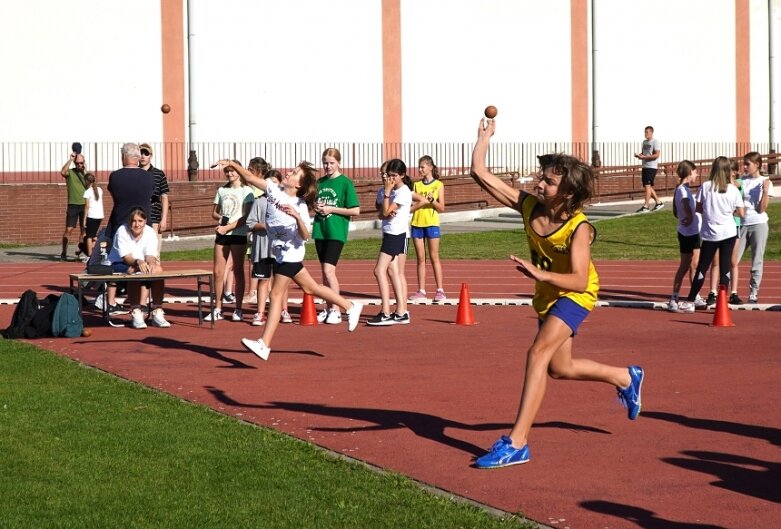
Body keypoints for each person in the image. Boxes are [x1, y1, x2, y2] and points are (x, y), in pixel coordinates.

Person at [470, 117, 643, 469]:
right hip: (548, 295)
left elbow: (580, 281)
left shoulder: (579, 228)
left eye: (549, 181)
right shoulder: (530, 206)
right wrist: (484, 138)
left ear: (569, 191)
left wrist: (538, 272)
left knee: (537, 354)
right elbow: (479, 173)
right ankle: (625, 376)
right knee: (559, 369)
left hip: (576, 295)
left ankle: (517, 443)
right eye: (541, 177)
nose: (540, 183)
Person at [212, 159, 363, 361]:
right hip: (282, 254)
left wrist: (298, 218)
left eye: (293, 173)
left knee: (275, 296)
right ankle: (350, 307)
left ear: (298, 184)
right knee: (312, 289)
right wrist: (231, 162)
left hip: (291, 255)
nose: (288, 173)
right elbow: (249, 177)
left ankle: (264, 344)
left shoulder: (299, 206)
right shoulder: (274, 190)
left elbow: (305, 236)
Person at [677, 157, 745, 313]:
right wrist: (728, 211)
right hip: (728, 232)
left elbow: (699, 208)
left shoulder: (706, 187)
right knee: (725, 267)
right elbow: (741, 212)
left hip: (710, 233)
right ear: (728, 171)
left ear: (713, 169)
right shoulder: (733, 189)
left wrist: (711, 211)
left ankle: (690, 300)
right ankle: (722, 300)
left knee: (702, 267)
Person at [104, 143, 155, 315]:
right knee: (147, 263)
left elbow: (113, 194)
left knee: (113, 261)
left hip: (120, 222)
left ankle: (110, 301)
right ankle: (143, 302)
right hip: (143, 223)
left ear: (124, 156)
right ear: (137, 157)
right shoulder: (148, 177)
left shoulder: (116, 176)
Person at [312, 148, 361, 325]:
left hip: (336, 231)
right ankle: (328, 307)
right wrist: (316, 206)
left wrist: (332, 209)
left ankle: (337, 309)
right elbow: (315, 203)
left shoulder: (345, 183)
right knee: (323, 273)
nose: (328, 166)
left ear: (339, 163)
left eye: (331, 163)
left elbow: (355, 210)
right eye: (325, 162)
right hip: (320, 230)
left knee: (329, 271)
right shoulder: (320, 183)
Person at [204, 160, 254, 323]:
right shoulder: (221, 190)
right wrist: (222, 220)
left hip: (238, 234)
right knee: (218, 272)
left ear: (239, 172)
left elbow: (246, 217)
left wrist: (229, 226)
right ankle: (218, 308)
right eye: (227, 171)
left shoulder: (247, 191)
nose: (230, 174)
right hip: (222, 233)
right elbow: (214, 213)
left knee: (238, 270)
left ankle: (238, 308)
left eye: (232, 171)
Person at [107, 207, 170, 329]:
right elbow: (126, 258)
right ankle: (136, 310)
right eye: (134, 221)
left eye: (140, 221)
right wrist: (138, 262)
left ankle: (157, 310)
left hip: (140, 262)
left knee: (158, 270)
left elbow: (150, 255)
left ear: (145, 221)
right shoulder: (122, 231)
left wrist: (151, 264)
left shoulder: (150, 232)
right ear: (129, 222)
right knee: (134, 271)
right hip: (119, 263)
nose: (137, 224)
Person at [367, 159, 413, 326]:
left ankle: (385, 311)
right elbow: (381, 213)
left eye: (393, 176)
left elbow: (386, 210)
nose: (390, 179)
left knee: (379, 270)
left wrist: (387, 195)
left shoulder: (403, 191)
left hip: (397, 234)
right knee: (392, 271)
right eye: (387, 175)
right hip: (388, 233)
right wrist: (385, 209)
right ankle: (401, 312)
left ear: (402, 175)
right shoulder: (384, 191)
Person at [245, 169, 292, 326]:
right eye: (269, 182)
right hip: (263, 248)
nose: (272, 185)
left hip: (280, 249)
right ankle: (260, 312)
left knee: (282, 281)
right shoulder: (259, 202)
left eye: (275, 182)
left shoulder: (285, 202)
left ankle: (284, 310)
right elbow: (250, 223)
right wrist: (265, 225)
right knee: (263, 280)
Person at [736, 151, 775, 303]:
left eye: (748, 164)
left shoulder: (765, 182)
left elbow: (762, 209)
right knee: (733, 260)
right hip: (743, 224)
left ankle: (753, 292)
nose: (744, 167)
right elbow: (730, 184)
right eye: (744, 164)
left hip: (759, 223)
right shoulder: (742, 180)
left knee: (756, 260)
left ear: (757, 164)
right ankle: (730, 291)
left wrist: (764, 191)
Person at [409, 155, 447, 303]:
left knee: (434, 256)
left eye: (422, 167)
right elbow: (411, 207)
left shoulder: (438, 185)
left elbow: (442, 208)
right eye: (419, 167)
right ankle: (421, 290)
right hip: (417, 223)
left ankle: (440, 290)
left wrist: (432, 200)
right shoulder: (416, 185)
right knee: (420, 259)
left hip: (431, 223)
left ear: (430, 167)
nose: (420, 169)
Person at [706, 160, 744, 306]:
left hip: (734, 226)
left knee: (733, 261)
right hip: (718, 228)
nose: (732, 173)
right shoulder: (714, 186)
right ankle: (713, 292)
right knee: (716, 262)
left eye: (734, 171)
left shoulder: (737, 184)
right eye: (730, 170)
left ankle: (733, 292)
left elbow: (740, 186)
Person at [667, 161, 702, 312]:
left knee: (695, 265)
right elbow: (685, 204)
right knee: (684, 266)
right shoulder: (682, 190)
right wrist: (688, 216)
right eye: (695, 172)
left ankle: (695, 295)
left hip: (694, 232)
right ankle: (674, 297)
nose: (697, 174)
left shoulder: (686, 189)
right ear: (689, 173)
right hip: (687, 234)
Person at [243, 157, 271, 306]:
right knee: (251, 260)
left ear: (259, 171)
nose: (248, 172)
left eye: (251, 169)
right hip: (251, 227)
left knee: (262, 261)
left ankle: (256, 291)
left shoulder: (261, 189)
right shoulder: (249, 188)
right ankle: (253, 291)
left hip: (262, 231)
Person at [138, 143, 170, 253]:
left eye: (145, 153)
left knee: (154, 255)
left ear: (150, 156)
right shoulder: (134, 173)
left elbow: (164, 197)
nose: (142, 156)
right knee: (138, 254)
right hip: (137, 219)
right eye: (140, 153)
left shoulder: (159, 174)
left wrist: (164, 219)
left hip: (154, 218)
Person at [59, 151, 87, 260]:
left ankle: (80, 253)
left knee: (83, 231)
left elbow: (92, 182)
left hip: (85, 205)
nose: (79, 165)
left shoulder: (86, 174)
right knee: (69, 230)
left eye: (81, 163)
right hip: (73, 205)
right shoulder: (70, 172)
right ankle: (64, 252)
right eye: (77, 163)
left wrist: (85, 169)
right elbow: (63, 172)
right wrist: (70, 159)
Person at [634, 126, 664, 212]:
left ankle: (646, 206)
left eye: (647, 132)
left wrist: (645, 157)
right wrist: (639, 155)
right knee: (648, 186)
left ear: (651, 132)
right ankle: (658, 202)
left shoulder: (655, 142)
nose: (645, 134)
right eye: (645, 132)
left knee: (647, 186)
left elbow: (657, 155)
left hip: (651, 167)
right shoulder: (644, 142)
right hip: (645, 166)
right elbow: (644, 153)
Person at [81, 172, 104, 261]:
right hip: (99, 215)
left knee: (89, 236)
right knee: (94, 236)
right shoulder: (99, 189)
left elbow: (87, 206)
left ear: (86, 181)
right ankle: (96, 252)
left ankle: (90, 256)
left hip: (92, 215)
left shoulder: (87, 192)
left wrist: (84, 219)